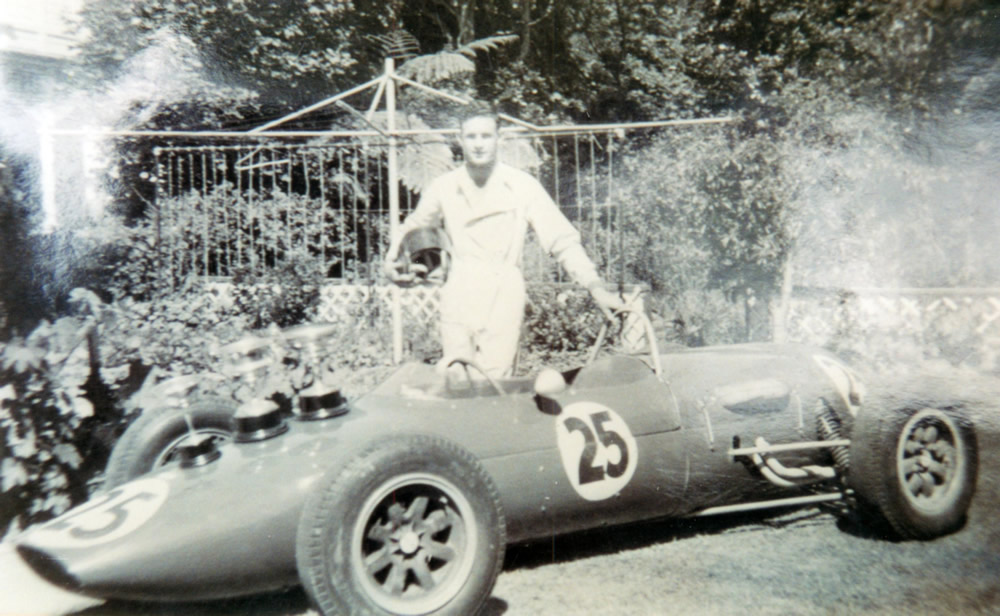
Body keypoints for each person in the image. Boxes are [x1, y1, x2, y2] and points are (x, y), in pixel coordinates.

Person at [384, 103, 625, 378]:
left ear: (500, 138)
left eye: (486, 136)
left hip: (503, 290)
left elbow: (562, 240)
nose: (478, 145)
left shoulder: (521, 185)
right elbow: (414, 226)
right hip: (459, 289)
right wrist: (392, 262)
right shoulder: (445, 186)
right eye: (471, 137)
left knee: (495, 381)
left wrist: (594, 285)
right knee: (455, 378)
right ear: (460, 139)